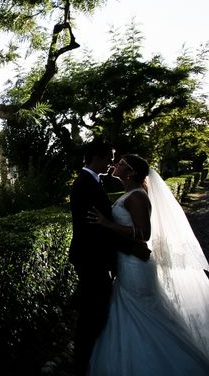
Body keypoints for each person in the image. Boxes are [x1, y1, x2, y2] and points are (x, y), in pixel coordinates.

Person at [88, 154, 209, 375]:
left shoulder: (137, 197)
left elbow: (144, 233)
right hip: (127, 262)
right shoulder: (129, 194)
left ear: (131, 172)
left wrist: (107, 224)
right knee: (131, 311)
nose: (116, 164)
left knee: (143, 311)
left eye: (121, 163)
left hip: (136, 265)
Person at [68, 141, 150, 376]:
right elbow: (97, 229)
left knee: (95, 311)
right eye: (109, 158)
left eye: (117, 160)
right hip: (91, 259)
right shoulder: (84, 184)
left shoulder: (93, 182)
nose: (112, 163)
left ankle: (85, 359)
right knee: (92, 314)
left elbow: (107, 225)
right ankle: (81, 364)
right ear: (96, 158)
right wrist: (131, 248)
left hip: (97, 259)